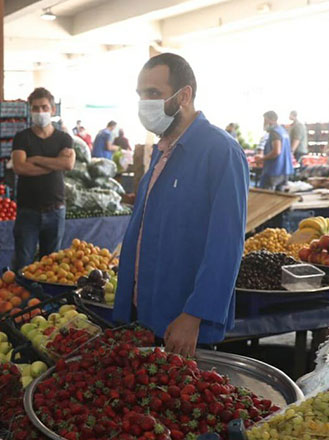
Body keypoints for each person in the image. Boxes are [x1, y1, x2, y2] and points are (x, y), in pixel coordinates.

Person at [114, 53, 248, 356]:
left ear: (184, 95)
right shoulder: (163, 150)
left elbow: (227, 244)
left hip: (184, 322)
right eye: (140, 95)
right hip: (146, 313)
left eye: (153, 94)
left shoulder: (221, 151)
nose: (144, 104)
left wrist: (195, 314)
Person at [10, 88, 75, 270]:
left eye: (44, 107)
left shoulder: (64, 138)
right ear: (30, 110)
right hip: (28, 210)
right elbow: (20, 167)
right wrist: (55, 163)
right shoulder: (22, 138)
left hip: (55, 209)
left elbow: (68, 164)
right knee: (23, 263)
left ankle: (46, 299)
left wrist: (36, 159)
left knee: (51, 265)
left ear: (52, 110)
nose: (40, 112)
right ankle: (23, 298)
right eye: (36, 108)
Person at [259, 110, 293, 190]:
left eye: (265, 120)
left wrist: (262, 158)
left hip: (274, 169)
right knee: (280, 197)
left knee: (267, 196)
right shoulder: (283, 131)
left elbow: (276, 151)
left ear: (271, 120)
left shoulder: (274, 132)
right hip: (285, 169)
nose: (264, 123)